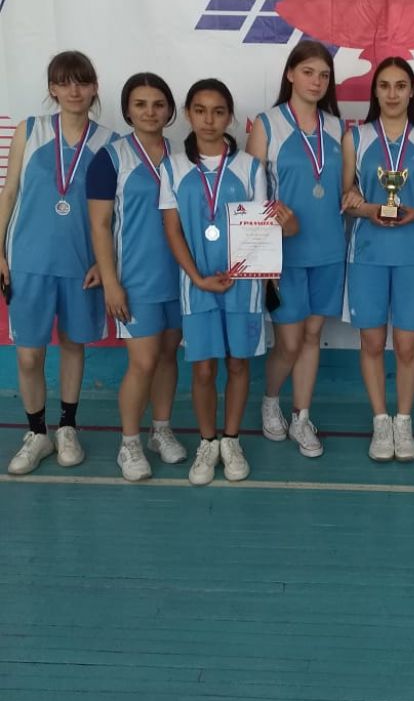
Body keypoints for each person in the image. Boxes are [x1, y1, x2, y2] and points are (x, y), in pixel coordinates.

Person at [159, 78, 297, 486]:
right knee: (203, 369)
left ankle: (232, 440)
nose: (209, 119)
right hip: (197, 285)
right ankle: (208, 442)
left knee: (238, 363)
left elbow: (260, 227)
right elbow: (172, 231)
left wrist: (249, 271)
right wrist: (197, 277)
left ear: (230, 117)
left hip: (244, 285)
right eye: (200, 110)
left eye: (218, 112)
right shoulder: (173, 167)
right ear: (188, 114)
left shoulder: (250, 167)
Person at [0, 50, 116, 475]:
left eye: (82, 82)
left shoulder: (110, 143)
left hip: (81, 264)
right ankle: (37, 433)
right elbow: (9, 192)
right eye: (64, 82)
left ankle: (67, 427)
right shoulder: (29, 131)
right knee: (29, 356)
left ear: (94, 87)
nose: (74, 90)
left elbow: (115, 213)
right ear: (52, 88)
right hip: (29, 261)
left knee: (72, 345)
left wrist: (106, 262)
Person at [341, 57, 414, 462]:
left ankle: (403, 422)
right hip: (367, 255)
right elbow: (347, 197)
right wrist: (367, 207)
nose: (392, 93)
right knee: (371, 342)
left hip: (413, 256)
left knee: (406, 346)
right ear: (375, 91)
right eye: (384, 85)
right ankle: (380, 421)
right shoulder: (355, 138)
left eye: (400, 85)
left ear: (411, 92)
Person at [246, 41, 345, 459]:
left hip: (330, 250)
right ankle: (271, 400)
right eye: (308, 72)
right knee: (288, 342)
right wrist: (268, 240)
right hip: (283, 256)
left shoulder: (338, 127)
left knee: (312, 336)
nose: (316, 81)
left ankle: (302, 417)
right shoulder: (267, 125)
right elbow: (250, 194)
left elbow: (346, 187)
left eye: (324, 75)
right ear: (290, 74)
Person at [87, 72, 185, 481]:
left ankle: (160, 430)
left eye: (158, 104)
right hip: (135, 280)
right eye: (140, 104)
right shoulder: (111, 158)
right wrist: (111, 282)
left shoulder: (183, 155)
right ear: (127, 110)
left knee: (167, 356)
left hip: (179, 278)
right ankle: (129, 443)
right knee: (142, 362)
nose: (150, 112)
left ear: (170, 110)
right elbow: (100, 225)